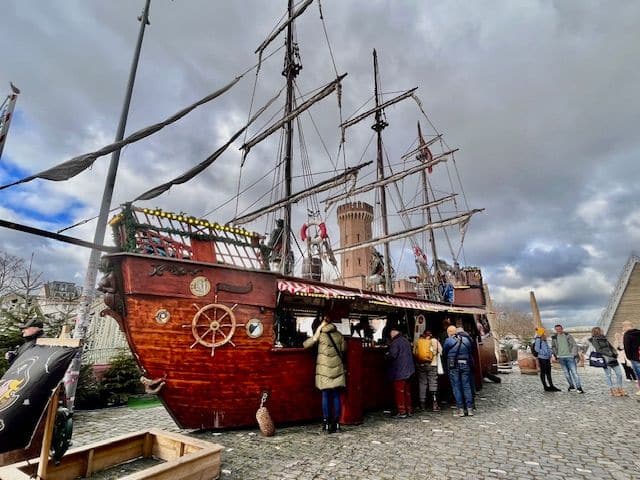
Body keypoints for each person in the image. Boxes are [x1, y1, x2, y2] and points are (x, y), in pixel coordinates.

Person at [303, 315, 346, 433]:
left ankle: (327, 424)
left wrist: (319, 328)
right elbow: (344, 349)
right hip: (337, 369)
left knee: (326, 396)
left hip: (324, 371)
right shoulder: (339, 335)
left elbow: (307, 344)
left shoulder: (321, 334)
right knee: (336, 396)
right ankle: (336, 425)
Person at [443, 325, 474, 417]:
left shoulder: (448, 341)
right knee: (466, 386)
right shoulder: (466, 340)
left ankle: (460, 409)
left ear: (448, 333)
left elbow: (444, 353)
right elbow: (470, 351)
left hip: (454, 366)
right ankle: (469, 409)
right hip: (465, 364)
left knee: (456, 386)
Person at [386, 325, 415, 418]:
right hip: (409, 370)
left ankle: (402, 411)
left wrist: (386, 355)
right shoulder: (405, 340)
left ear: (393, 332)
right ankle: (409, 409)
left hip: (400, 370)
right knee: (407, 391)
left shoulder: (395, 342)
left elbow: (393, 355)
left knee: (400, 391)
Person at [588, 327, 626, 396]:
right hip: (605, 359)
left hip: (613, 358)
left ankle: (619, 388)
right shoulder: (594, 340)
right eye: (601, 330)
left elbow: (611, 347)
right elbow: (599, 350)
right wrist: (610, 354)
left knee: (619, 374)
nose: (602, 331)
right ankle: (612, 391)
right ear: (597, 332)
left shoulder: (604, 338)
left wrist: (615, 353)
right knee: (608, 375)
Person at [413, 330, 443, 411]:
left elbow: (414, 352)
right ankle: (434, 404)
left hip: (421, 365)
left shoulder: (418, 341)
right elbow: (441, 351)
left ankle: (422, 404)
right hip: (432, 365)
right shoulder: (434, 341)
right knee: (433, 382)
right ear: (430, 335)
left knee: (422, 383)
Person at [551, 324, 584, 393]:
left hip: (570, 357)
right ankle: (571, 386)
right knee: (566, 373)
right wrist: (556, 354)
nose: (558, 330)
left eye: (559, 329)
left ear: (562, 329)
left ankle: (579, 388)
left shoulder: (568, 336)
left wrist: (573, 354)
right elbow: (553, 347)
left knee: (574, 373)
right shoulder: (554, 338)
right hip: (561, 358)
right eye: (557, 329)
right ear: (555, 330)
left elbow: (574, 345)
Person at [533, 327, 560, 392]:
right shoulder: (538, 339)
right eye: (543, 332)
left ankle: (551, 386)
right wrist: (544, 353)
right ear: (541, 333)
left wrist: (550, 353)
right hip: (542, 358)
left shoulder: (544, 339)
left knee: (548, 373)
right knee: (543, 372)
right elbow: (537, 349)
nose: (544, 333)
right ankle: (545, 386)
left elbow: (547, 348)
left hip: (547, 358)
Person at [622, 321, 640, 397]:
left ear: (625, 326)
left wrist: (629, 357)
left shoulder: (627, 335)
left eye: (623, 327)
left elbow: (627, 348)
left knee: (638, 374)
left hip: (634, 358)